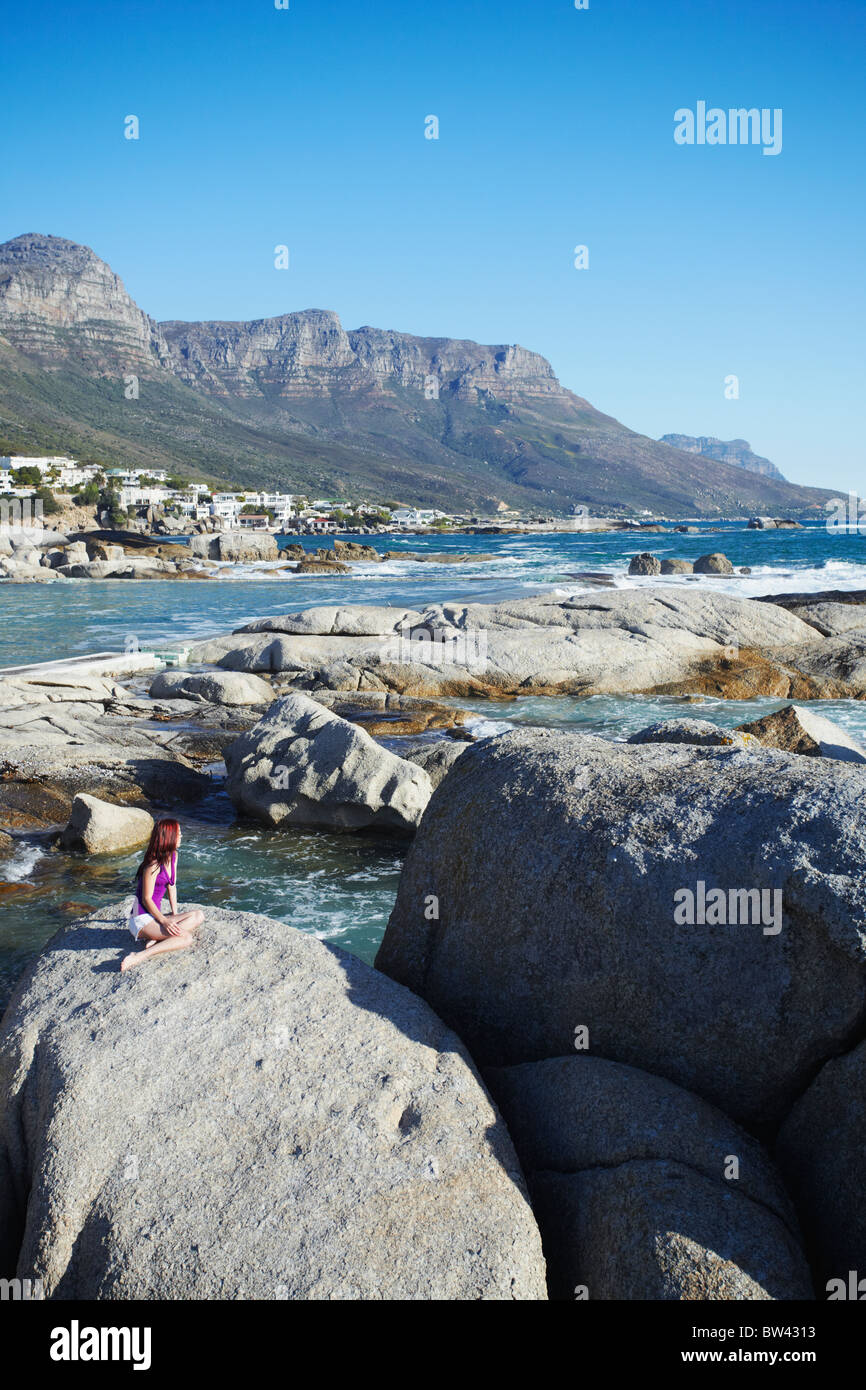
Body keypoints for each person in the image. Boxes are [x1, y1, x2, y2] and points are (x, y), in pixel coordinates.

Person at [120, 818, 204, 972]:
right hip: (141, 919)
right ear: (169, 837)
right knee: (186, 938)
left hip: (155, 916)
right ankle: (140, 956)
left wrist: (175, 915)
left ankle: (157, 938)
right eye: (178, 834)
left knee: (198, 915)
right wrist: (165, 921)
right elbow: (146, 899)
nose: (181, 837)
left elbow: (172, 886)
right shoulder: (152, 866)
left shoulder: (173, 856)